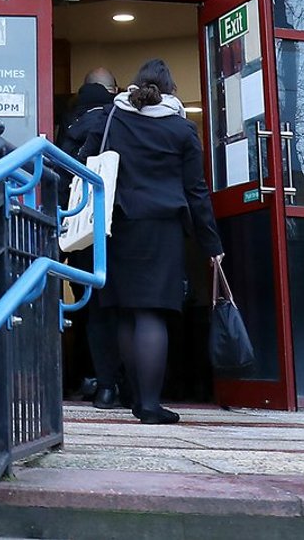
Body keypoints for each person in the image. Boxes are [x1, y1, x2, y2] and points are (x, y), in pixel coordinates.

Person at [94, 58, 223, 423]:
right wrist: (211, 244)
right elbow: (196, 190)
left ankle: (136, 399)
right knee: (151, 313)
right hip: (162, 229)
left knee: (126, 312)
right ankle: (150, 405)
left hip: (120, 224)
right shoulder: (182, 130)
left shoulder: (112, 118)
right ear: (170, 90)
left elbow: (86, 160)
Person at [56, 68, 124, 404]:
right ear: (113, 89)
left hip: (76, 226)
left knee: (86, 304)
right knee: (114, 306)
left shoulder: (68, 122)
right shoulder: (115, 119)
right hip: (110, 226)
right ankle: (115, 383)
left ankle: (89, 379)